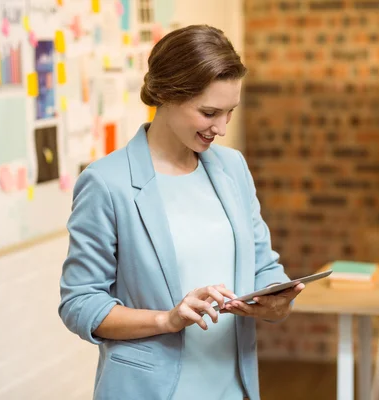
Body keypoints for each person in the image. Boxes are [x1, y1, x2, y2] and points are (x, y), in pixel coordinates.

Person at [58, 24, 305, 400]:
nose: (221, 128)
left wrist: (275, 299)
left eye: (229, 112)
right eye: (209, 112)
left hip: (233, 387)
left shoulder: (232, 168)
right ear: (167, 95)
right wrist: (166, 319)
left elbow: (263, 265)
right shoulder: (107, 182)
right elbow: (80, 303)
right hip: (150, 390)